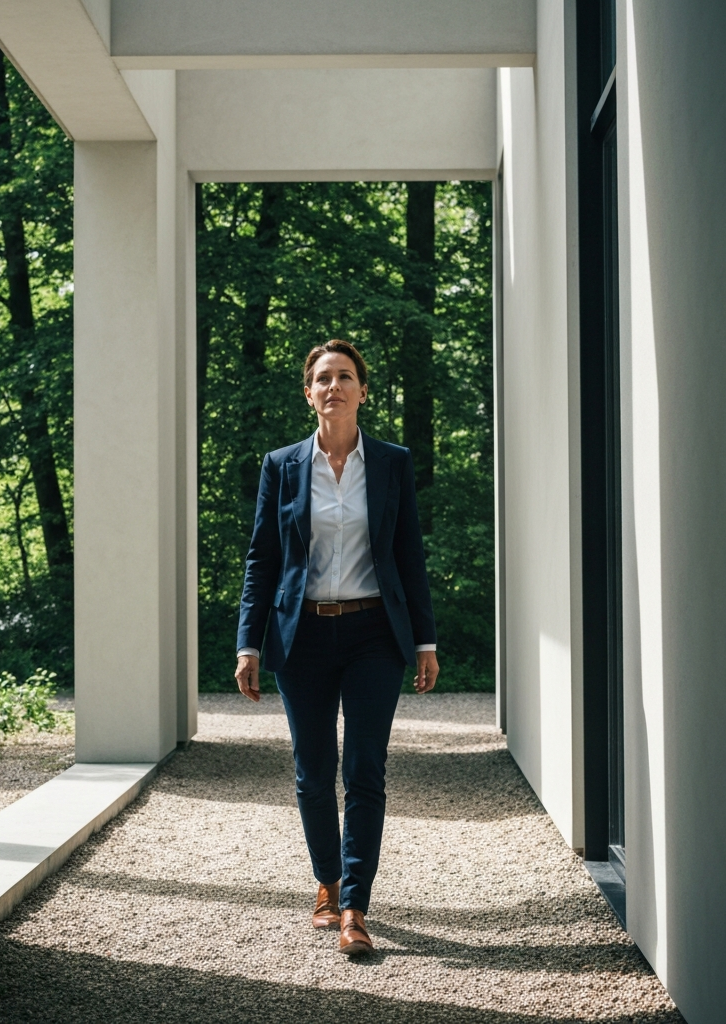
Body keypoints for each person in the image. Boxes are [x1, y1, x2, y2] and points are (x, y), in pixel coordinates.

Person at [234, 339, 439, 955]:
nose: (334, 386)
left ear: (363, 391)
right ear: (309, 394)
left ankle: (354, 906)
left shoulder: (392, 463)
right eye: (323, 378)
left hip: (375, 632)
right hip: (302, 634)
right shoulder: (282, 465)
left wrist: (424, 641)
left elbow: (409, 554)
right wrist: (248, 645)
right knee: (314, 769)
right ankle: (326, 880)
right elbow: (262, 559)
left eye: (345, 376)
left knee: (366, 770)